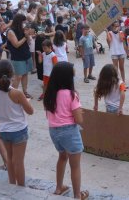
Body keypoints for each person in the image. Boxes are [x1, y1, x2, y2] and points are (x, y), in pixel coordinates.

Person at [43, 62, 89, 199]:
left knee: (62, 157)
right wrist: (80, 113)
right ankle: (77, 195)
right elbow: (79, 120)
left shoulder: (49, 94)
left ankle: (59, 188)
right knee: (75, 166)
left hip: (54, 131)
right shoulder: (71, 95)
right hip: (69, 131)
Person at [0, 59, 33, 186]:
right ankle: (20, 188)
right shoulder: (17, 93)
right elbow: (30, 111)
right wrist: (27, 102)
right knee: (19, 161)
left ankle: (11, 184)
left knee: (9, 159)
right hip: (18, 130)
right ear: (11, 75)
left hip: (3, 130)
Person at [7, 14, 33, 99]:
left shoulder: (23, 29)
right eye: (23, 22)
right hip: (17, 56)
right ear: (19, 22)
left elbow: (28, 42)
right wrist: (25, 37)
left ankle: (25, 92)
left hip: (26, 54)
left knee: (25, 74)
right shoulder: (11, 31)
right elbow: (16, 44)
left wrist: (28, 35)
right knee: (18, 76)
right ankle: (13, 94)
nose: (25, 23)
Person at [32, 7, 55, 87]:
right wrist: (35, 35)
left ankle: (51, 78)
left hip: (47, 43)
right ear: (38, 14)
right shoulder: (34, 23)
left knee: (49, 61)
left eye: (45, 14)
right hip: (38, 43)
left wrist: (45, 34)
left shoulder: (48, 21)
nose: (44, 16)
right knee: (40, 62)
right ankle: (44, 80)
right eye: (43, 14)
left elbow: (53, 32)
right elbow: (32, 35)